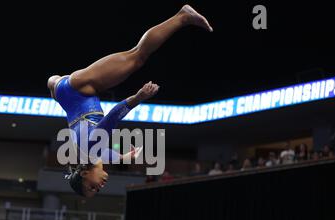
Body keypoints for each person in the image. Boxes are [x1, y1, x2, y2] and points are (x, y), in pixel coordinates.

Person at [48, 4, 213, 197]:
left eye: (92, 187)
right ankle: (53, 82)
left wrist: (138, 97)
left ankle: (183, 16)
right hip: (65, 94)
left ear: (85, 173)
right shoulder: (91, 154)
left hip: (79, 89)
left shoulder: (91, 149)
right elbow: (108, 154)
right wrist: (124, 156)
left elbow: (113, 116)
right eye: (96, 191)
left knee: (138, 56)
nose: (99, 187)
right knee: (52, 81)